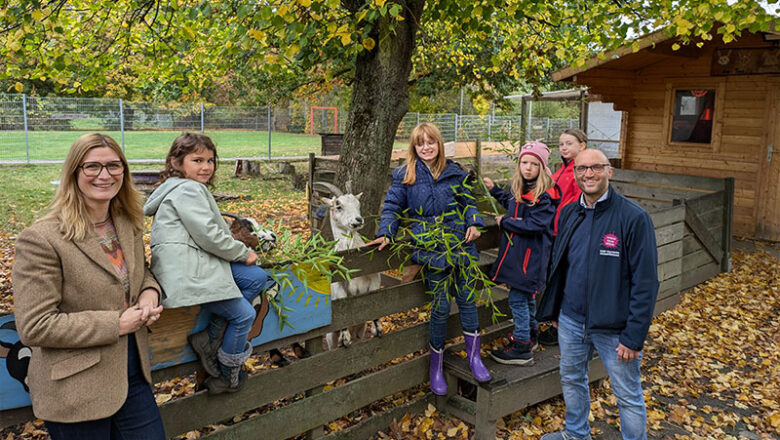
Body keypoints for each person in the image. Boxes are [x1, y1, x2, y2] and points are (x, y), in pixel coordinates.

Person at [12, 133, 166, 439]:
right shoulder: (42, 239)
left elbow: (140, 274)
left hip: (132, 376)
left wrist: (150, 292)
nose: (105, 175)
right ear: (74, 173)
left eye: (113, 166)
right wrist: (116, 324)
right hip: (75, 390)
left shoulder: (127, 222)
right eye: (92, 167)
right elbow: (35, 325)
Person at [537, 149, 659, 440]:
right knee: (572, 378)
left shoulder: (633, 218)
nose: (588, 174)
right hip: (570, 321)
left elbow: (646, 282)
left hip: (614, 328)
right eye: (581, 169)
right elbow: (560, 264)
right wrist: (556, 311)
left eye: (596, 168)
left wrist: (633, 336)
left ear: (609, 171)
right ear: (574, 172)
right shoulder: (569, 213)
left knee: (627, 393)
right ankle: (577, 434)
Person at [144, 132, 274, 394]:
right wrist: (242, 252)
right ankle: (227, 374)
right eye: (197, 160)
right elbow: (209, 236)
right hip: (188, 273)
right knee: (244, 315)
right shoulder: (188, 189)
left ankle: (211, 337)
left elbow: (207, 231)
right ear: (177, 162)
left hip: (195, 264)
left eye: (210, 161)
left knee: (257, 278)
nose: (205, 167)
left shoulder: (184, 187)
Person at [367, 123, 491, 395]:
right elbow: (392, 206)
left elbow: (467, 201)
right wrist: (387, 231)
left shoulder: (455, 172)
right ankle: (435, 366)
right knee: (441, 307)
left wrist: (474, 221)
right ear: (414, 147)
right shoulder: (405, 175)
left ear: (439, 144)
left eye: (431, 142)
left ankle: (474, 357)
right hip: (431, 245)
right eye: (420, 143)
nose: (426, 147)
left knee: (468, 300)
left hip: (459, 243)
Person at [482, 141, 560, 366]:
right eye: (524, 162)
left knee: (518, 299)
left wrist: (506, 222)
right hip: (522, 257)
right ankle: (531, 334)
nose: (527, 167)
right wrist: (495, 190)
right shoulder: (523, 190)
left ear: (543, 168)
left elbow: (535, 224)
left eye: (534, 164)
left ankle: (522, 347)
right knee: (526, 298)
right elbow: (513, 204)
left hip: (530, 260)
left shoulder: (545, 196)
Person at [538, 128, 588, 347]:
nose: (564, 147)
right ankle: (557, 323)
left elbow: (578, 202)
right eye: (561, 144)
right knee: (556, 278)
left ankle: (563, 327)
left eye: (569, 143)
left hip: (569, 232)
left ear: (582, 146)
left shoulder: (581, 170)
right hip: (554, 231)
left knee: (567, 279)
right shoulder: (563, 168)